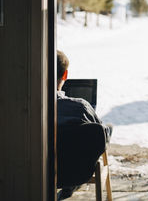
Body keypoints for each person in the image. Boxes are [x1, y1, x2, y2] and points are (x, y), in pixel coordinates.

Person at [56, 50, 112, 200]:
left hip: (39, 171)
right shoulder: (80, 107)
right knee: (102, 130)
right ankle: (70, 186)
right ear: (65, 75)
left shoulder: (30, 113)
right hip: (78, 172)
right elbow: (99, 137)